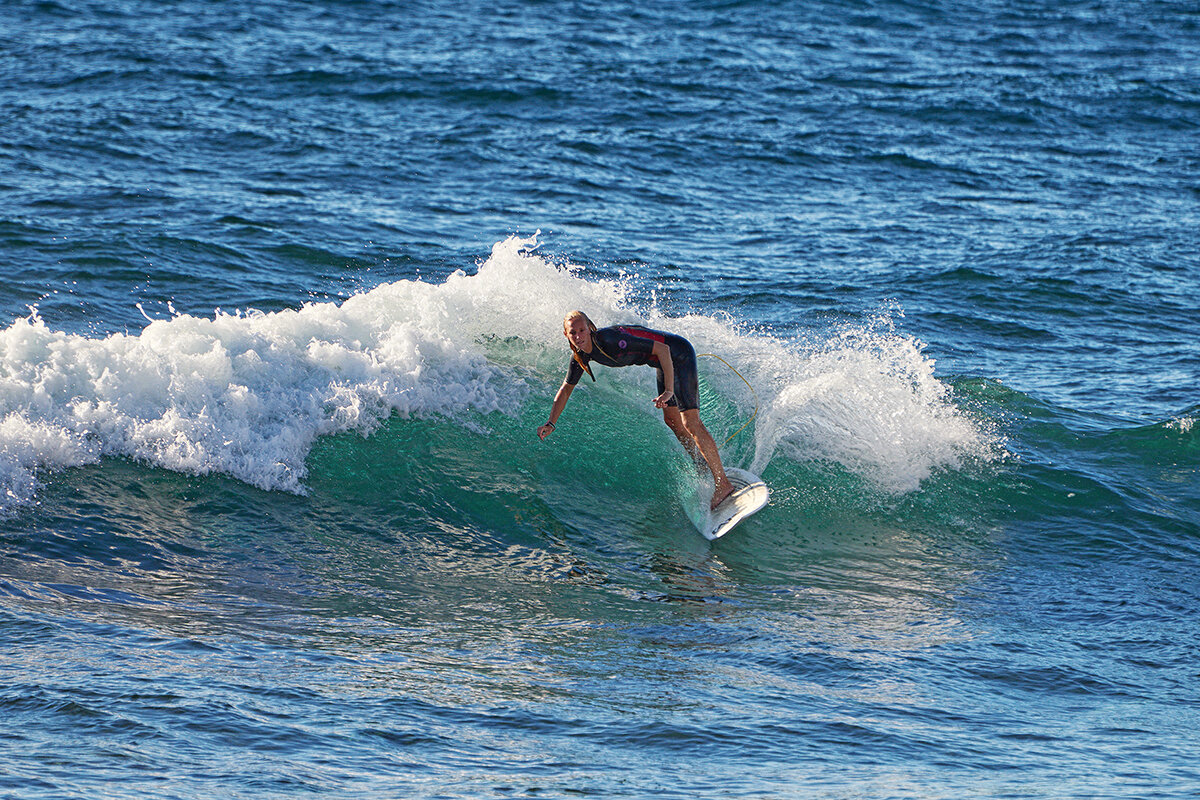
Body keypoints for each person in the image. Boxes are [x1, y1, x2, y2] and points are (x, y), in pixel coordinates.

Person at [537, 310, 736, 510]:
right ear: (566, 335)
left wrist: (668, 390)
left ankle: (722, 483)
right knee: (672, 421)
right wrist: (551, 422)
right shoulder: (580, 356)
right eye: (573, 332)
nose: (578, 336)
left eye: (582, 330)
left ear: (590, 328)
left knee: (690, 421)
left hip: (678, 354)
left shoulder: (611, 340)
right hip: (663, 362)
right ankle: (702, 464)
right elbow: (565, 389)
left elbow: (663, 349)